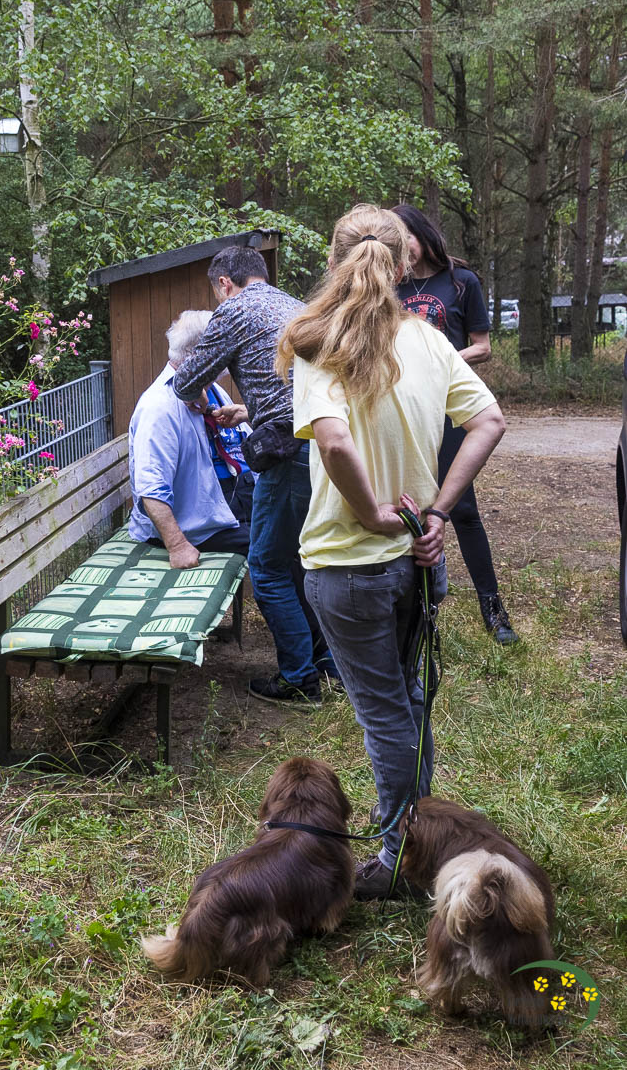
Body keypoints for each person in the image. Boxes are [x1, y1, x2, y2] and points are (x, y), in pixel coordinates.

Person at [279, 204, 505, 897]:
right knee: (407, 702)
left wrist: (371, 513)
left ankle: (397, 855)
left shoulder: (318, 340)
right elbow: (489, 421)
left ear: (333, 259)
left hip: (348, 567)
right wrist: (435, 511)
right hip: (417, 560)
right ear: (407, 264)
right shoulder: (430, 342)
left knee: (385, 712)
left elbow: (334, 440)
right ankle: (422, 839)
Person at [172, 244, 334, 707]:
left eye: (216, 291)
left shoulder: (235, 309)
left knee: (265, 567)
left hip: (287, 449)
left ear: (225, 283)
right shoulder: (297, 306)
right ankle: (328, 662)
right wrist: (248, 410)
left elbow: (186, 381)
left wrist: (198, 390)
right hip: (325, 440)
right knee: (303, 558)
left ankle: (298, 679)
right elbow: (290, 382)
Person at [393, 203, 519, 644]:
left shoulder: (461, 281)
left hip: (448, 408)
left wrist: (440, 362)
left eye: (405, 238)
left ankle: (493, 610)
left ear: (422, 234)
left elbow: (482, 346)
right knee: (406, 503)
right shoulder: (391, 286)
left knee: (461, 508)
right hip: (407, 410)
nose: (401, 249)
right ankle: (415, 609)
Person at [128, 311, 250, 563]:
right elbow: (150, 487)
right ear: (202, 356)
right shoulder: (159, 407)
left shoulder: (209, 389)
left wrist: (247, 413)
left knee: (294, 523)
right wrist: (177, 546)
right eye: (222, 351)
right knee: (278, 547)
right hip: (199, 524)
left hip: (232, 496)